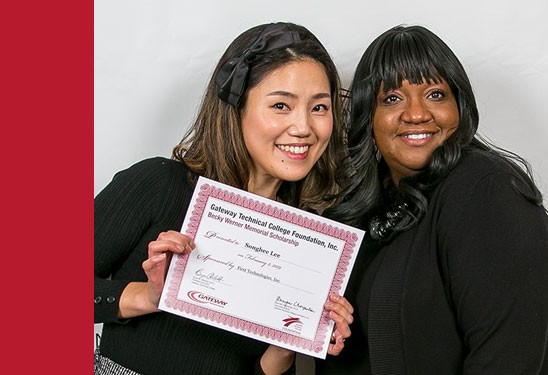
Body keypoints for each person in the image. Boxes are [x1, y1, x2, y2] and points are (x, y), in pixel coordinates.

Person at [94, 22, 354, 375]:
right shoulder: (158, 185)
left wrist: (291, 339)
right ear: (237, 108)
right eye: (281, 105)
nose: (304, 128)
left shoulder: (309, 247)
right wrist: (149, 296)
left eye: (320, 108)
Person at [317, 25, 548, 374]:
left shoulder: (485, 190)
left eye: (436, 94)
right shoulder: (366, 208)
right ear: (369, 115)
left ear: (460, 106)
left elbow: (509, 358)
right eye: (392, 98)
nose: (417, 114)